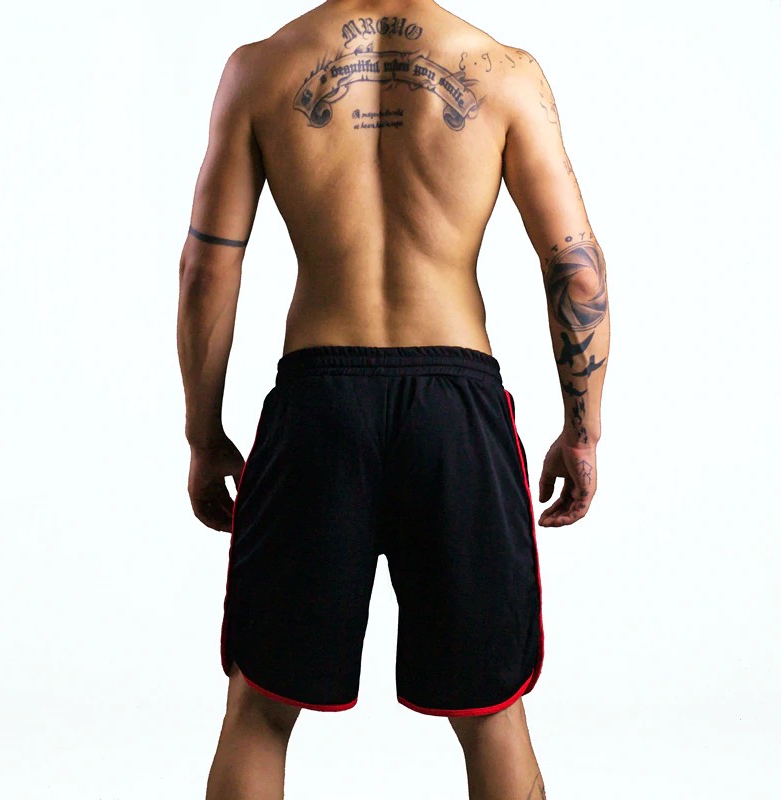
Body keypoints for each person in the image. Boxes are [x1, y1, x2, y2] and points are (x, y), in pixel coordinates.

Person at [176, 0, 609, 797]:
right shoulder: (506, 72)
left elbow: (206, 268)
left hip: (318, 404)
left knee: (260, 706)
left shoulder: (261, 68)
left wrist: (203, 437)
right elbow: (576, 270)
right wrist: (581, 433)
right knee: (492, 711)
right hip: (455, 408)